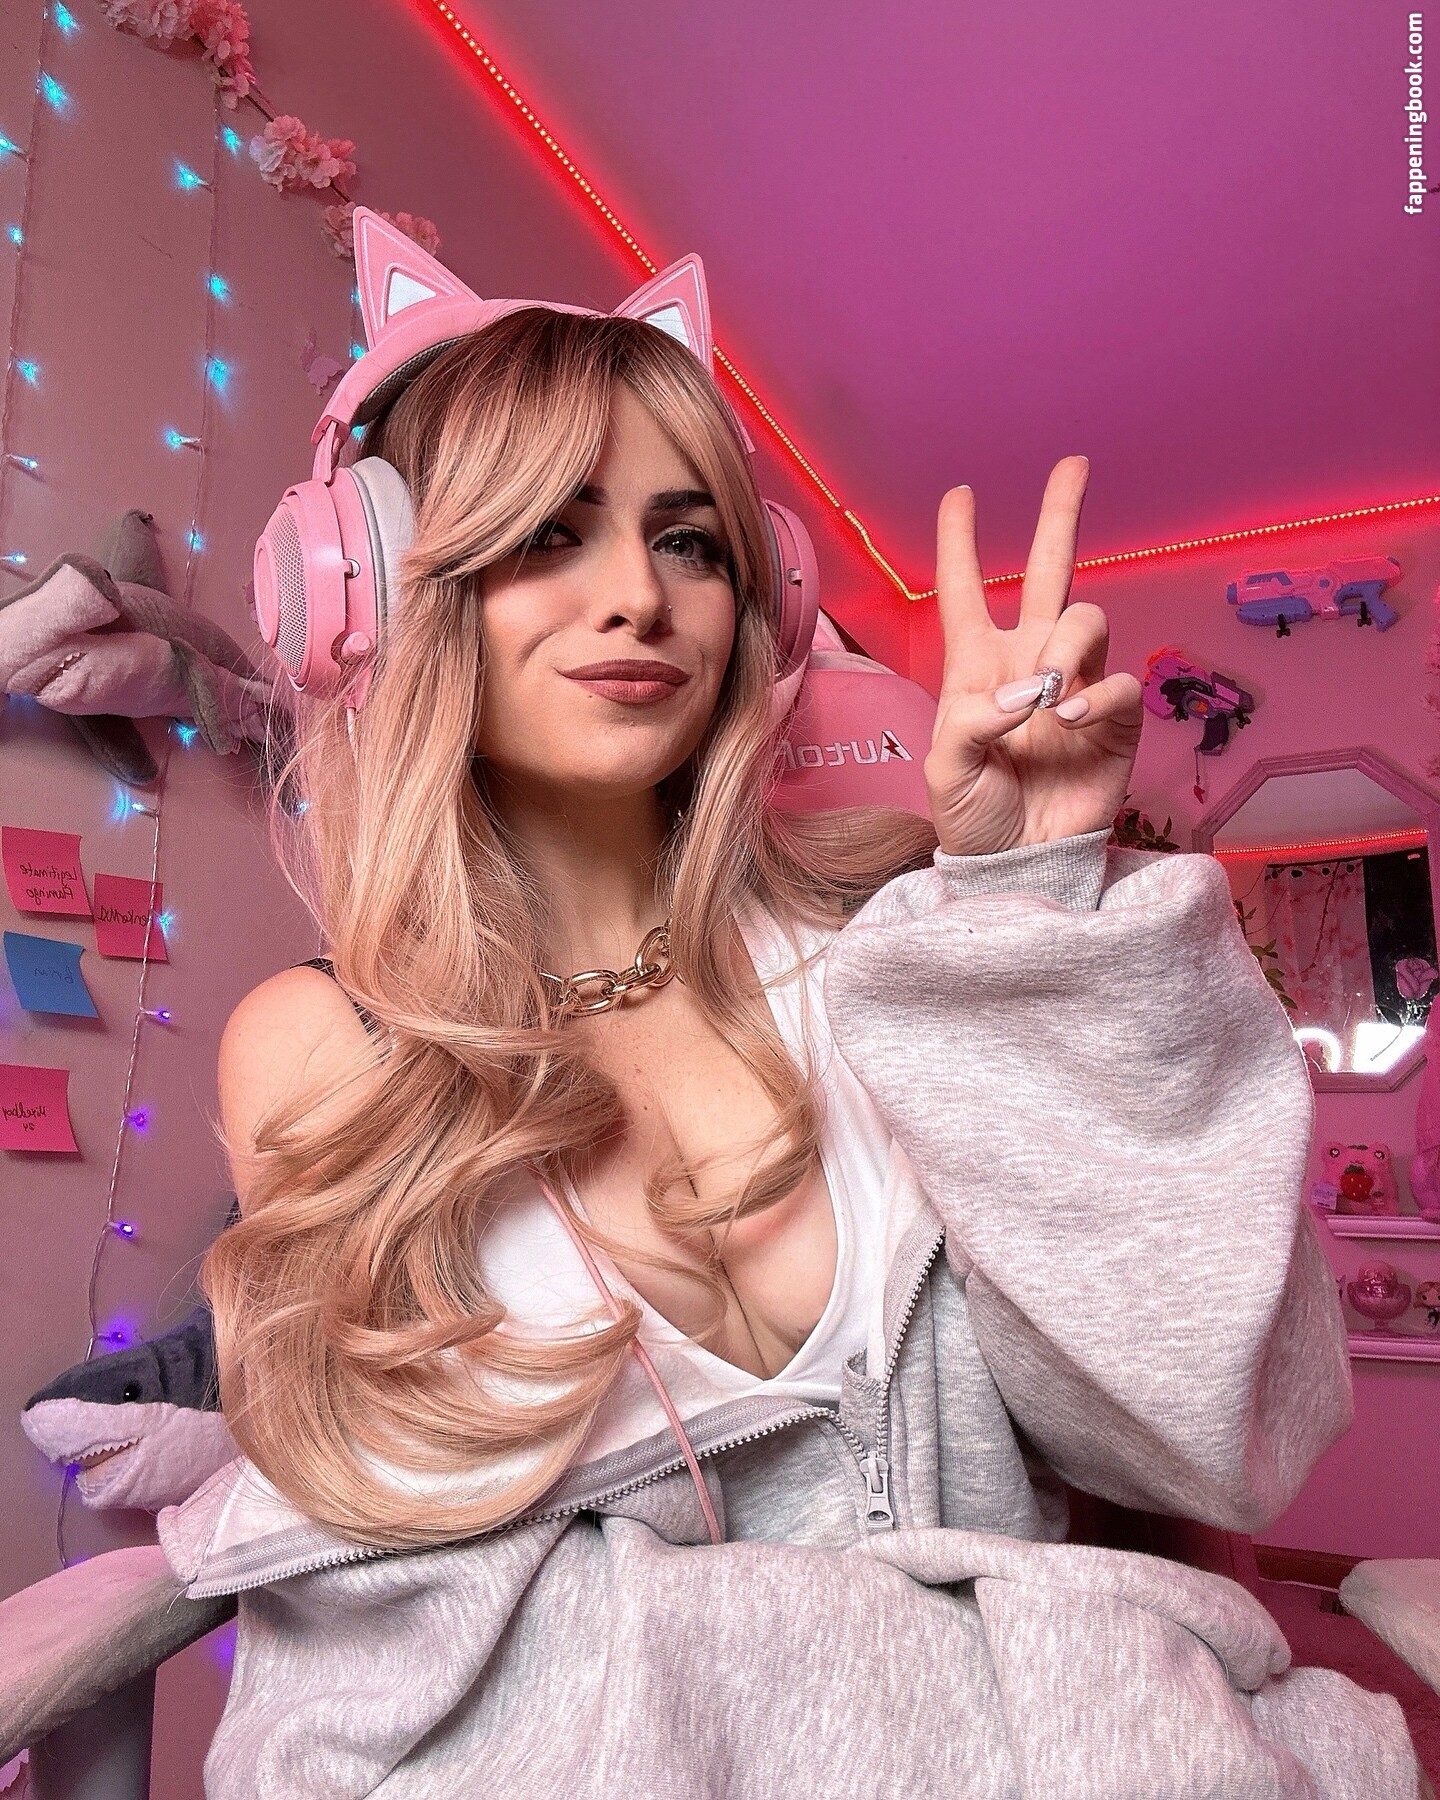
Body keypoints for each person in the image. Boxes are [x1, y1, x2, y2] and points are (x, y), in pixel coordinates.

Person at [159, 242, 1421, 1796]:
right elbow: (437, 1681)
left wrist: (1039, 917)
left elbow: (1219, 1430)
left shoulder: (899, 941)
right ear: (381, 587)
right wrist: (1032, 1682)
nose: (640, 596)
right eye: (549, 532)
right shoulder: (324, 1048)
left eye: (688, 539)